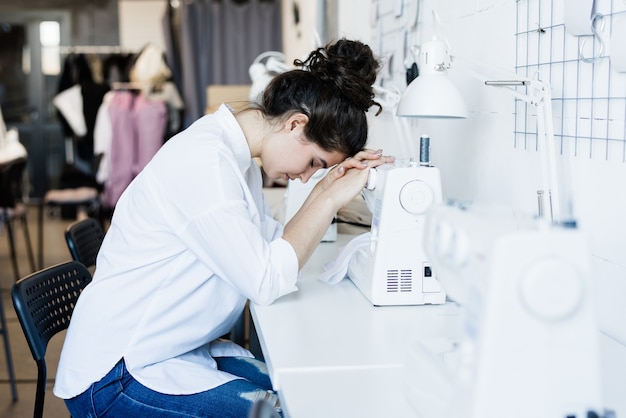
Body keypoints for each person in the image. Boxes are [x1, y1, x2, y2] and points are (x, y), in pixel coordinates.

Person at [53, 38, 394, 418]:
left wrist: (329, 188)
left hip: (168, 347)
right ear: (297, 123)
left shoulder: (235, 156)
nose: (306, 176)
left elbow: (271, 244)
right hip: (116, 374)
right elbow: (264, 280)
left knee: (304, 393)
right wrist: (328, 197)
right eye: (315, 161)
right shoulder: (206, 165)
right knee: (287, 411)